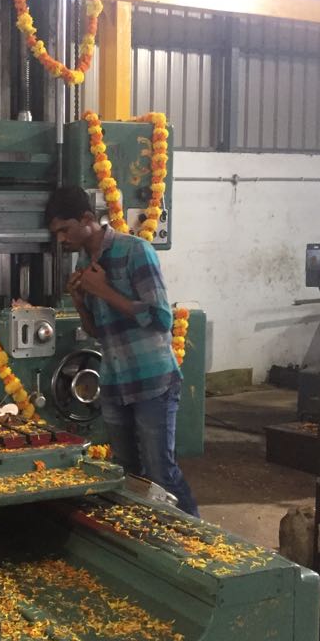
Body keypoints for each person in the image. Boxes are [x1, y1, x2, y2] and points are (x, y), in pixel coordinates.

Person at [46, 185, 199, 516]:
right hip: (115, 383)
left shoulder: (135, 251)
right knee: (127, 474)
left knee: (161, 475)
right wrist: (80, 301)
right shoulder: (86, 263)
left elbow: (161, 318)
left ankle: (197, 541)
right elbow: (97, 331)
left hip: (152, 382)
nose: (61, 239)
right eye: (56, 233)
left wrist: (103, 290)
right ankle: (145, 536)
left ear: (87, 218)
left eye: (65, 229)